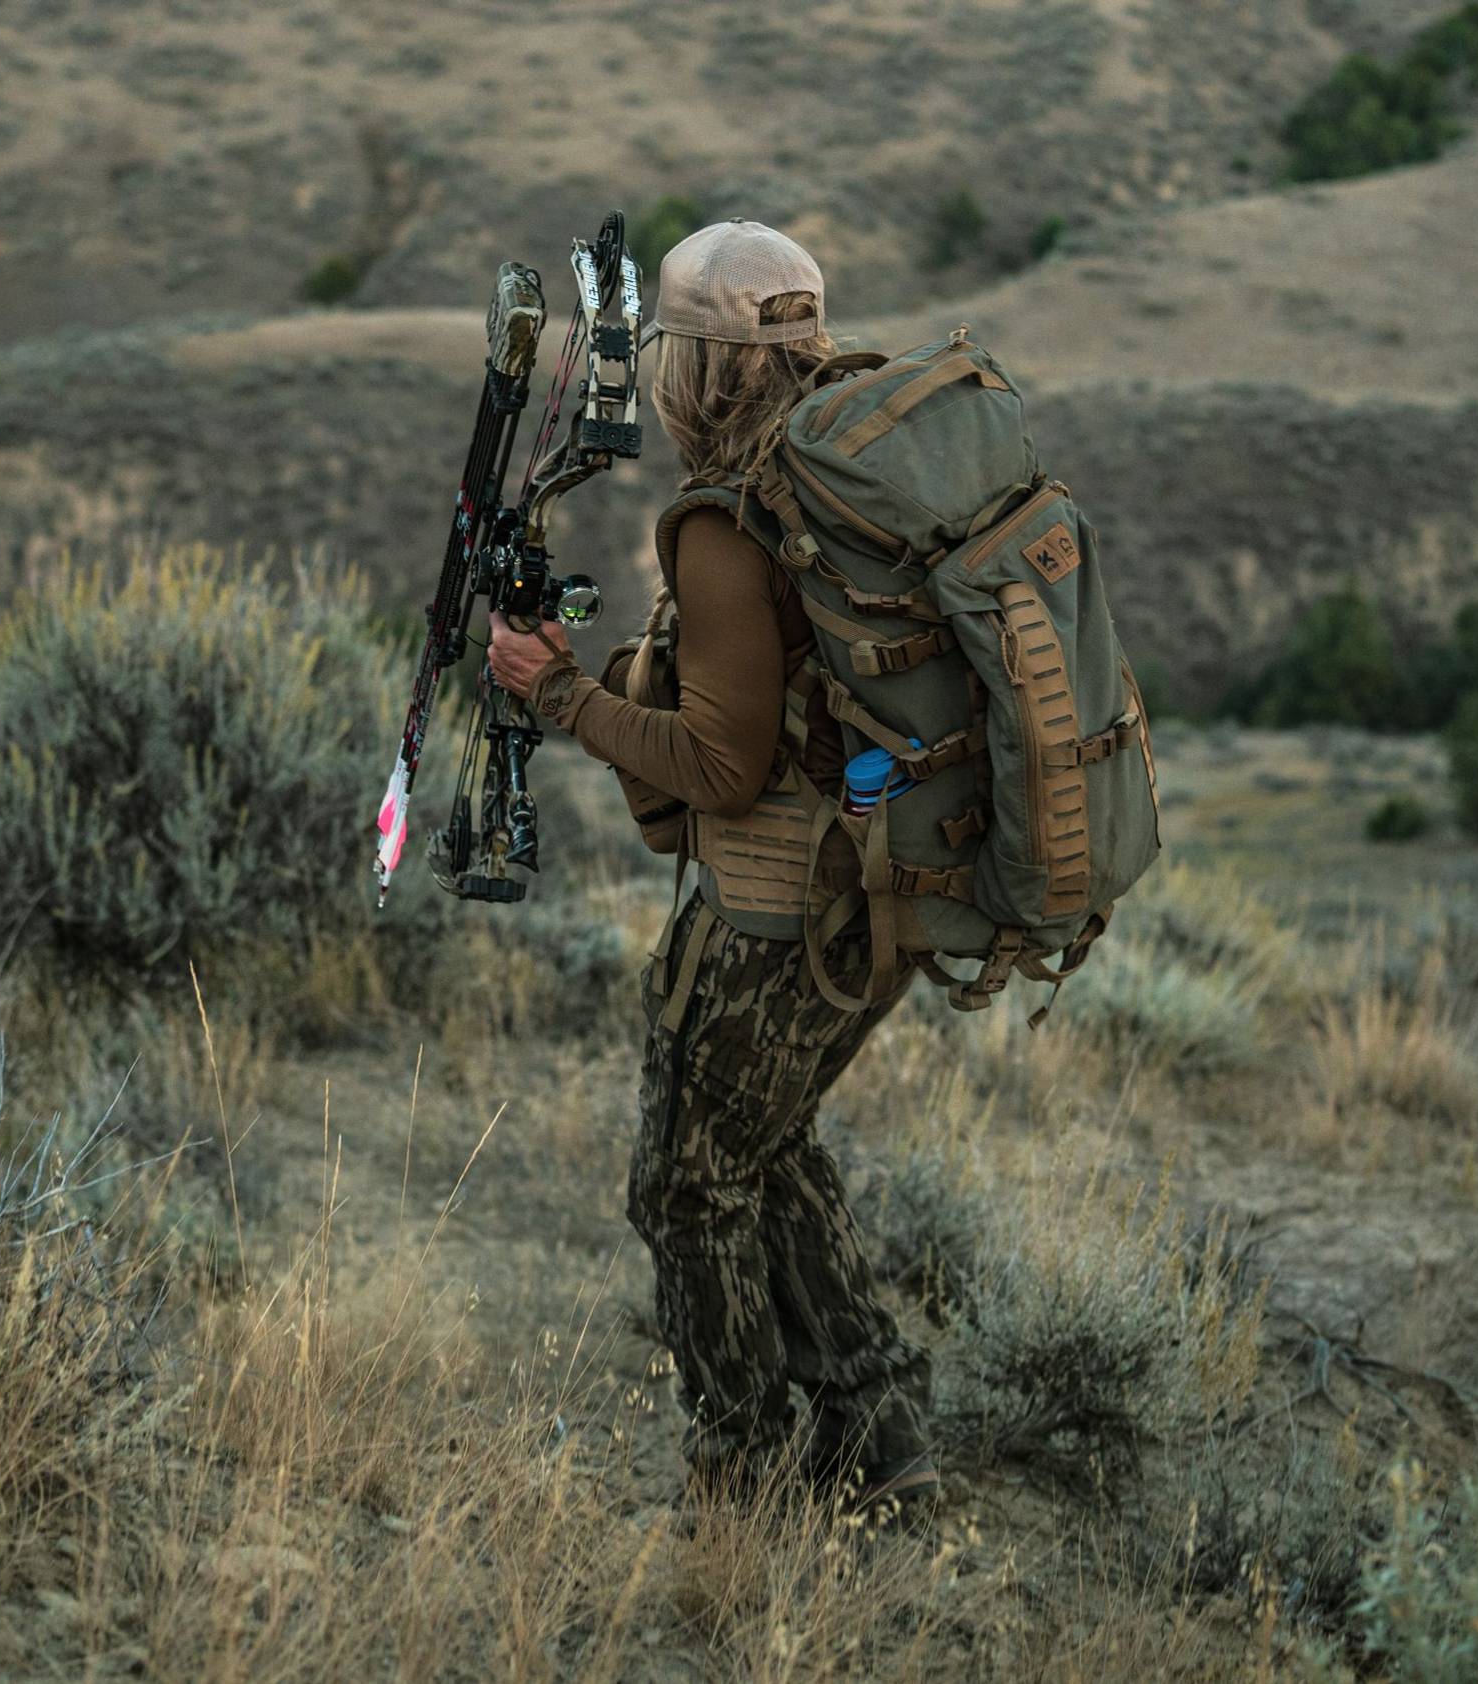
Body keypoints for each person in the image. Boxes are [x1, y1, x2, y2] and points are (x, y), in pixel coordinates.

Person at [483, 220, 938, 1517]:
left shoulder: (735, 519)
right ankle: (877, 1424)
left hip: (783, 903)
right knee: (766, 1142)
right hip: (886, 880)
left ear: (701, 363)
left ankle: (740, 1464)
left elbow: (723, 770)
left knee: (683, 1182)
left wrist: (559, 694)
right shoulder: (860, 462)